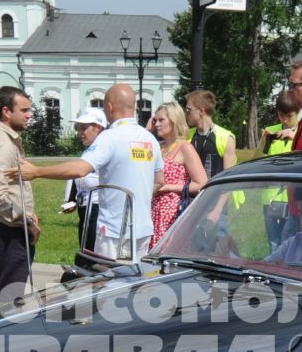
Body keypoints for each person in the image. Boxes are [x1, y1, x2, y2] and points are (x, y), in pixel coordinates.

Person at [15, 82, 161, 261]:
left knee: (110, 282)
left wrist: (37, 171)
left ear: (109, 106)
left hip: (114, 230)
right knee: (134, 282)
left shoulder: (110, 137)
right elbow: (159, 180)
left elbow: (80, 168)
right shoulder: (150, 139)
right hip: (143, 228)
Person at [0, 86, 39, 304]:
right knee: (10, 299)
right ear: (6, 111)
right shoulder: (2, 143)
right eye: (23, 110)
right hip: (8, 229)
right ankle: (6, 337)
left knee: (3, 296)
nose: (29, 114)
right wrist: (26, 219)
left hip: (3, 226)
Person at [149, 102, 207, 246]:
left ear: (174, 120)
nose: (156, 124)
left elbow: (202, 183)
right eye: (155, 120)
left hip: (173, 212)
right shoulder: (158, 147)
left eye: (161, 120)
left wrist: (170, 187)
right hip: (153, 209)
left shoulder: (185, 147)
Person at [259, 91, 301, 248]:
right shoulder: (272, 130)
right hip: (271, 198)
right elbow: (257, 161)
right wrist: (263, 142)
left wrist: (295, 139)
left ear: (298, 112)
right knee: (274, 243)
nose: (284, 120)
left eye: (289, 116)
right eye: (281, 115)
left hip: (295, 198)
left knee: (293, 242)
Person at [184, 89, 233, 204]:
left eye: (188, 109)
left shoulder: (226, 137)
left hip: (214, 203)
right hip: (191, 201)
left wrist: (217, 210)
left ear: (201, 111)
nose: (186, 113)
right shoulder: (187, 136)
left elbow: (228, 179)